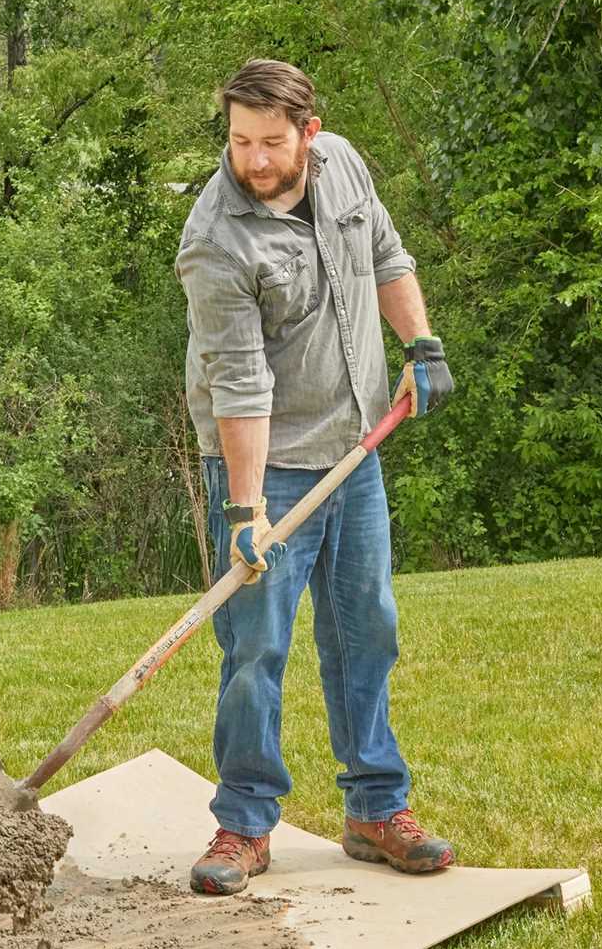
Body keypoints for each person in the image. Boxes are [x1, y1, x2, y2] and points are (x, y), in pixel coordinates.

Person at [175, 58, 456, 896]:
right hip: (265, 467)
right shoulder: (216, 239)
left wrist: (422, 346)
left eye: (269, 142)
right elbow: (239, 383)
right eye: (237, 141)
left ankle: (375, 808)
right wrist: (246, 508)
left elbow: (386, 257)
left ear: (309, 131)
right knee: (256, 647)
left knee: (366, 629)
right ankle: (245, 824)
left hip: (354, 449)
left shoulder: (345, 168)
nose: (253, 161)